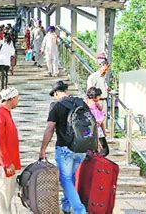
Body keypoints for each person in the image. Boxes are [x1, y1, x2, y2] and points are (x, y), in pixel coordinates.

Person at [39, 81, 87, 214]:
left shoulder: (57, 106)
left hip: (65, 149)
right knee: (71, 177)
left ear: (55, 93)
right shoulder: (80, 102)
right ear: (66, 90)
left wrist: (43, 149)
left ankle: (80, 210)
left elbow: (50, 128)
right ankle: (66, 206)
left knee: (65, 179)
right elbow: (91, 124)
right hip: (82, 148)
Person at [0, 87, 21, 214]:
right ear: (12, 99)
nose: (18, 101)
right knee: (2, 197)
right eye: (17, 98)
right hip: (4, 164)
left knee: (7, 197)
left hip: (9, 162)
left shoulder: (6, 112)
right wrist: (7, 163)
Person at [86, 87, 109, 156]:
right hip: (97, 131)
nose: (100, 98)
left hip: (89, 131)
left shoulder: (86, 104)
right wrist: (104, 131)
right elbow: (101, 119)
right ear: (95, 96)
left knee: (94, 152)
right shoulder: (95, 105)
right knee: (104, 151)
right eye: (99, 96)